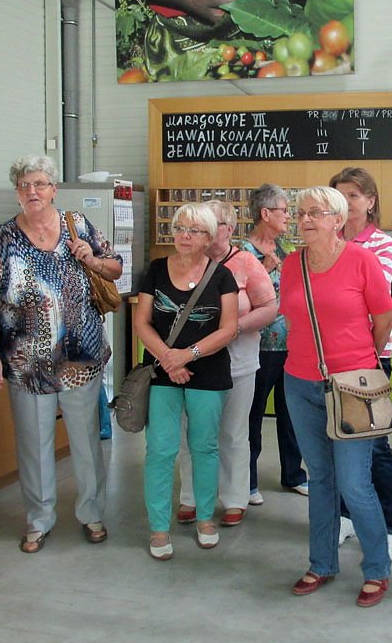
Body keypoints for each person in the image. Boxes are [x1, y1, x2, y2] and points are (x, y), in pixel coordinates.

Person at [0, 155, 122, 553]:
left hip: (80, 358)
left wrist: (91, 258)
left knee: (86, 442)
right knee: (34, 445)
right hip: (25, 364)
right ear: (17, 192)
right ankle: (39, 519)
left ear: (54, 189)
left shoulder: (77, 224)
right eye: (24, 185)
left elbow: (115, 267)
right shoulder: (2, 239)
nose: (32, 191)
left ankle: (91, 514)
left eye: (40, 184)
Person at [281, 186, 392, 608]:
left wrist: (360, 359)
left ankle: (377, 567)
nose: (305, 220)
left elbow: (385, 318)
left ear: (338, 219)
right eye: (301, 213)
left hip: (352, 387)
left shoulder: (361, 260)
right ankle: (322, 563)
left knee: (354, 482)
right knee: (321, 478)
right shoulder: (292, 264)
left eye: (315, 213)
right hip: (299, 382)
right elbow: (291, 317)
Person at [135, 203, 238, 558]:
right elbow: (142, 322)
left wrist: (188, 355)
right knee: (160, 449)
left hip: (208, 373)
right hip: (162, 372)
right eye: (179, 228)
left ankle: (205, 518)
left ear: (209, 237)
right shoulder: (156, 270)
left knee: (204, 447)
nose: (184, 235)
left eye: (194, 230)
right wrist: (169, 357)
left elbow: (228, 329)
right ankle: (158, 527)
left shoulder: (222, 276)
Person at [176, 200, 277, 528]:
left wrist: (234, 328)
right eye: (196, 226)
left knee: (233, 433)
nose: (201, 231)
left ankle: (234, 498)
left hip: (238, 363)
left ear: (229, 229)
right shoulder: (185, 262)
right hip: (193, 364)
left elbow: (269, 307)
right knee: (192, 433)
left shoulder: (246, 262)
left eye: (210, 224)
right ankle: (192, 496)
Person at [330, 167, 392, 558]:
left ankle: (390, 526)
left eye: (354, 196)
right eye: (339, 196)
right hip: (328, 360)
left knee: (374, 445)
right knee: (338, 440)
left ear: (370, 201)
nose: (346, 203)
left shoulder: (381, 244)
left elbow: (370, 295)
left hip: (368, 359)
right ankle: (345, 516)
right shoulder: (326, 241)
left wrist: (369, 354)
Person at [240, 184, 308, 504]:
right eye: (284, 210)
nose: (289, 217)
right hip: (258, 346)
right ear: (265, 213)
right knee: (252, 414)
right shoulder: (242, 253)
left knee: (291, 411)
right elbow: (236, 299)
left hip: (292, 344)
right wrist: (264, 272)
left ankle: (293, 474)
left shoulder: (287, 248)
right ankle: (248, 480)